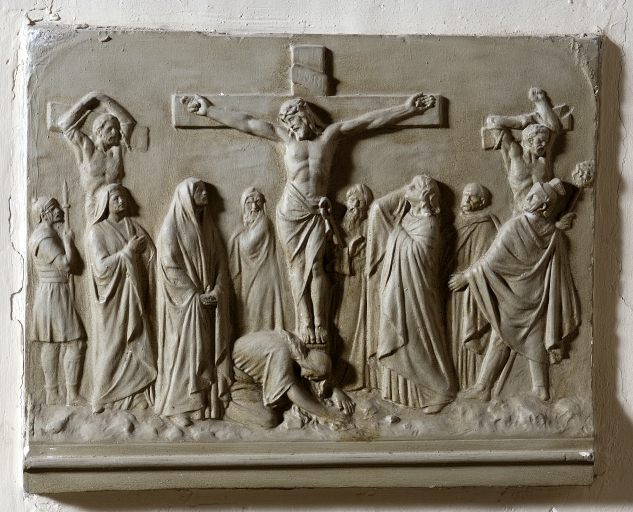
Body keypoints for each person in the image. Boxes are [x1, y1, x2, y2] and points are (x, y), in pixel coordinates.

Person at [185, 92, 435, 345]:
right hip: (290, 212)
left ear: (304, 114)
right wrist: (209, 110)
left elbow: (367, 122)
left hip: (316, 211)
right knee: (297, 267)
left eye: (292, 120)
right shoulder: (285, 138)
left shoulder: (329, 137)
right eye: (286, 122)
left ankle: (320, 322)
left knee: (316, 267)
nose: (290, 126)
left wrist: (407, 109)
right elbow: (248, 123)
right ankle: (305, 321)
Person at [449, 179, 580, 401]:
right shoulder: (554, 234)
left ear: (543, 205)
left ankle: (484, 387)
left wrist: (467, 276)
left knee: (501, 336)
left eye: (533, 196)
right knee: (534, 338)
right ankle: (539, 388)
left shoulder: (515, 226)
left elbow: (491, 261)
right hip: (537, 297)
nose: (528, 198)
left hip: (512, 297)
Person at [366, 175, 455, 414]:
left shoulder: (429, 223)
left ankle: (440, 389)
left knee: (419, 337)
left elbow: (419, 255)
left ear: (425, 196)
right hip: (399, 286)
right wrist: (407, 192)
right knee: (398, 332)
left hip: (417, 292)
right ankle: (403, 395)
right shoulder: (407, 216)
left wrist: (397, 234)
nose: (408, 188)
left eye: (414, 187)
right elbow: (379, 207)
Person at [154, 178, 232, 427]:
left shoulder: (208, 227)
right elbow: (169, 267)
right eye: (198, 190)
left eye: (204, 190)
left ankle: (201, 406)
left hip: (207, 303)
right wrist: (194, 296)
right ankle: (176, 407)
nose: (204, 193)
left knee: (205, 352)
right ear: (186, 196)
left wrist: (217, 290)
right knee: (182, 353)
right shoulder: (172, 226)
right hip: (183, 306)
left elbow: (220, 263)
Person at [87, 184, 156, 412]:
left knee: (135, 344)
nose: (121, 201)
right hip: (113, 299)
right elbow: (100, 267)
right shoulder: (97, 231)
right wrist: (127, 252)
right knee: (114, 345)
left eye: (123, 197)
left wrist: (146, 257)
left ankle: (132, 394)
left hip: (134, 295)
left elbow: (151, 254)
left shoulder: (132, 226)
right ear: (105, 203)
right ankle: (99, 397)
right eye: (115, 198)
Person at [225, 330, 354, 429]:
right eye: (313, 377)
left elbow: (320, 368)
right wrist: (326, 413)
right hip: (241, 381)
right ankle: (228, 408)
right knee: (268, 420)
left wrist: (337, 389)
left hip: (257, 376)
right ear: (309, 366)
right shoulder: (283, 353)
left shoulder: (299, 349)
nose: (310, 379)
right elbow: (291, 390)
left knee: (300, 398)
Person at [28, 197, 87, 406]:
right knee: (73, 343)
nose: (60, 211)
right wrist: (68, 242)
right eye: (54, 209)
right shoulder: (44, 238)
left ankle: (57, 394)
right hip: (53, 292)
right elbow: (65, 264)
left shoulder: (47, 235)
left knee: (52, 344)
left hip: (53, 292)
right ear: (44, 214)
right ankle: (66, 394)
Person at [446, 183, 500, 389]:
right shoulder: (454, 222)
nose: (467, 200)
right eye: (465, 195)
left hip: (472, 290)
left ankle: (470, 384)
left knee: (464, 338)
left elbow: (490, 262)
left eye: (472, 197)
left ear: (482, 202)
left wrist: (467, 278)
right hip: (449, 288)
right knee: (449, 338)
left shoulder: (486, 226)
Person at [59, 91, 136, 217]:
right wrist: (88, 99)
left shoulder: (117, 150)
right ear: (99, 131)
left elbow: (127, 122)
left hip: (117, 206)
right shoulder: (86, 147)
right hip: (94, 206)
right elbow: (64, 125)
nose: (115, 132)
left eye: (116, 129)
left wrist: (104, 99)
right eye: (110, 129)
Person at [485, 88, 564, 211]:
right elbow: (492, 121)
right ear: (529, 140)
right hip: (520, 214)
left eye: (545, 141)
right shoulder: (514, 153)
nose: (544, 144)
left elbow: (554, 128)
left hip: (543, 215)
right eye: (540, 141)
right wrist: (522, 121)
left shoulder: (543, 156)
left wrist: (541, 102)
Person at [331, 184, 373, 390]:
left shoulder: (368, 227)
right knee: (342, 328)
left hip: (363, 283)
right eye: (351, 200)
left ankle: (359, 378)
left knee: (361, 327)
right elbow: (329, 258)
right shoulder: (338, 227)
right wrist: (348, 252)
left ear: (365, 206)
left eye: (359, 201)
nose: (354, 204)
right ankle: (339, 376)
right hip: (342, 285)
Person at [228, 187, 285, 335]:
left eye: (257, 202)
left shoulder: (263, 221)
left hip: (263, 275)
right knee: (248, 310)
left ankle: (260, 339)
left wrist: (238, 235)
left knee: (258, 310)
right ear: (243, 205)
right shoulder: (249, 225)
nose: (254, 207)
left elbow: (249, 245)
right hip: (249, 275)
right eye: (249, 203)